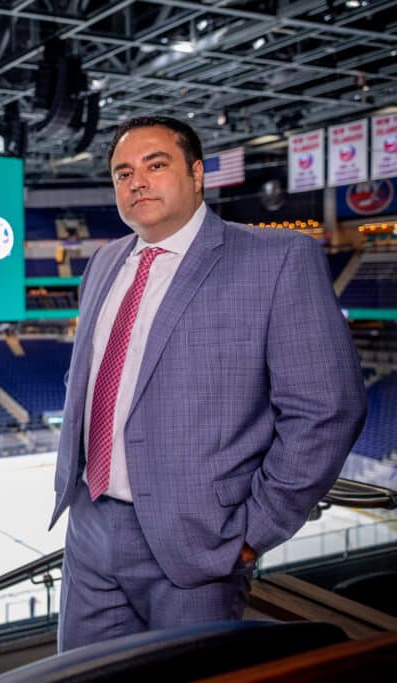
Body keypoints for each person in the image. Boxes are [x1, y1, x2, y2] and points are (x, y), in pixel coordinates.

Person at [48, 116, 365, 652]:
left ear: (197, 175)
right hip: (90, 528)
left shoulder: (276, 259)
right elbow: (93, 376)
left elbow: (327, 410)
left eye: (155, 165)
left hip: (198, 540)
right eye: (123, 172)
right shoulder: (103, 263)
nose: (137, 182)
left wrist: (252, 533)